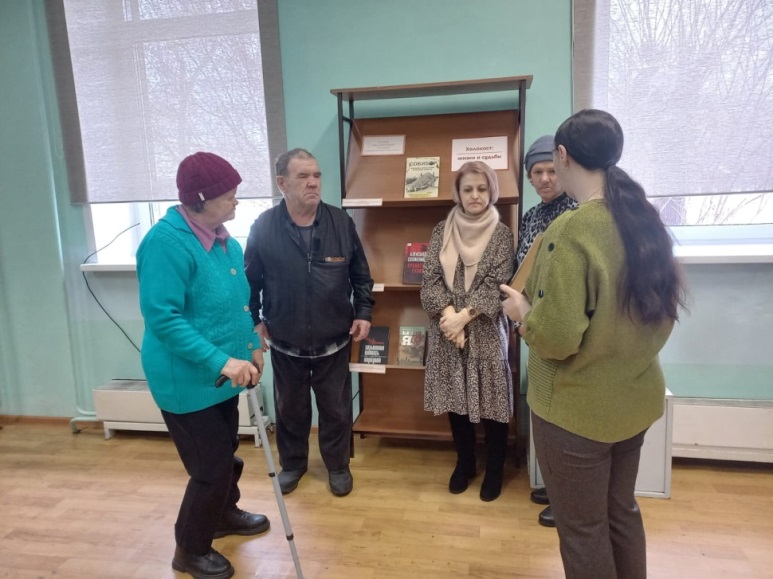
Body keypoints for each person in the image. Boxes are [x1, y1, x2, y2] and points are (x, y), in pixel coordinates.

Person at [500, 109, 686, 579]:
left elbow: (558, 339)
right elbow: (661, 316)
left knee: (582, 529)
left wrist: (523, 315)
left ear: (563, 156)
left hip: (576, 413)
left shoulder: (571, 230)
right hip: (634, 400)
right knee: (620, 511)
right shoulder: (642, 218)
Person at [137, 152, 270, 579]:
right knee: (210, 469)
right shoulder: (165, 244)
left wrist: (251, 345)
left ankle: (223, 514)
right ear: (199, 200)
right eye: (228, 195)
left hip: (222, 374)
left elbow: (237, 302)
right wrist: (222, 360)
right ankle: (190, 549)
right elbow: (163, 319)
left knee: (225, 454)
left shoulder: (223, 239)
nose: (236, 201)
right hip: (185, 381)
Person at [244, 148, 374, 498]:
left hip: (334, 339)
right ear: (282, 183)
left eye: (316, 175)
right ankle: (293, 465)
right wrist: (255, 322)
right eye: (303, 176)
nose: (313, 182)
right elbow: (250, 282)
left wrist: (363, 312)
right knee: (290, 409)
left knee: (336, 409)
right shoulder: (264, 227)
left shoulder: (340, 223)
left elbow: (361, 275)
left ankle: (338, 466)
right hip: (285, 341)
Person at [421, 161, 515, 502]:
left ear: (492, 191)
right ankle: (465, 463)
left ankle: (495, 469)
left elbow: (498, 284)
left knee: (492, 404)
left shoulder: (502, 234)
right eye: (468, 189)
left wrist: (463, 319)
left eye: (482, 188)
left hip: (485, 329)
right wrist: (450, 318)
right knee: (456, 401)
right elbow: (430, 279)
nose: (475, 195)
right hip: (447, 329)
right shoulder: (441, 231)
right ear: (458, 193)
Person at [518, 135, 577, 528]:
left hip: (563, 330)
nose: (544, 179)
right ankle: (556, 488)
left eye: (551, 171)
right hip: (533, 326)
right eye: (537, 172)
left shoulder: (576, 213)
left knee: (564, 422)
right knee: (544, 413)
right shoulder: (530, 217)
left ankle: (569, 500)